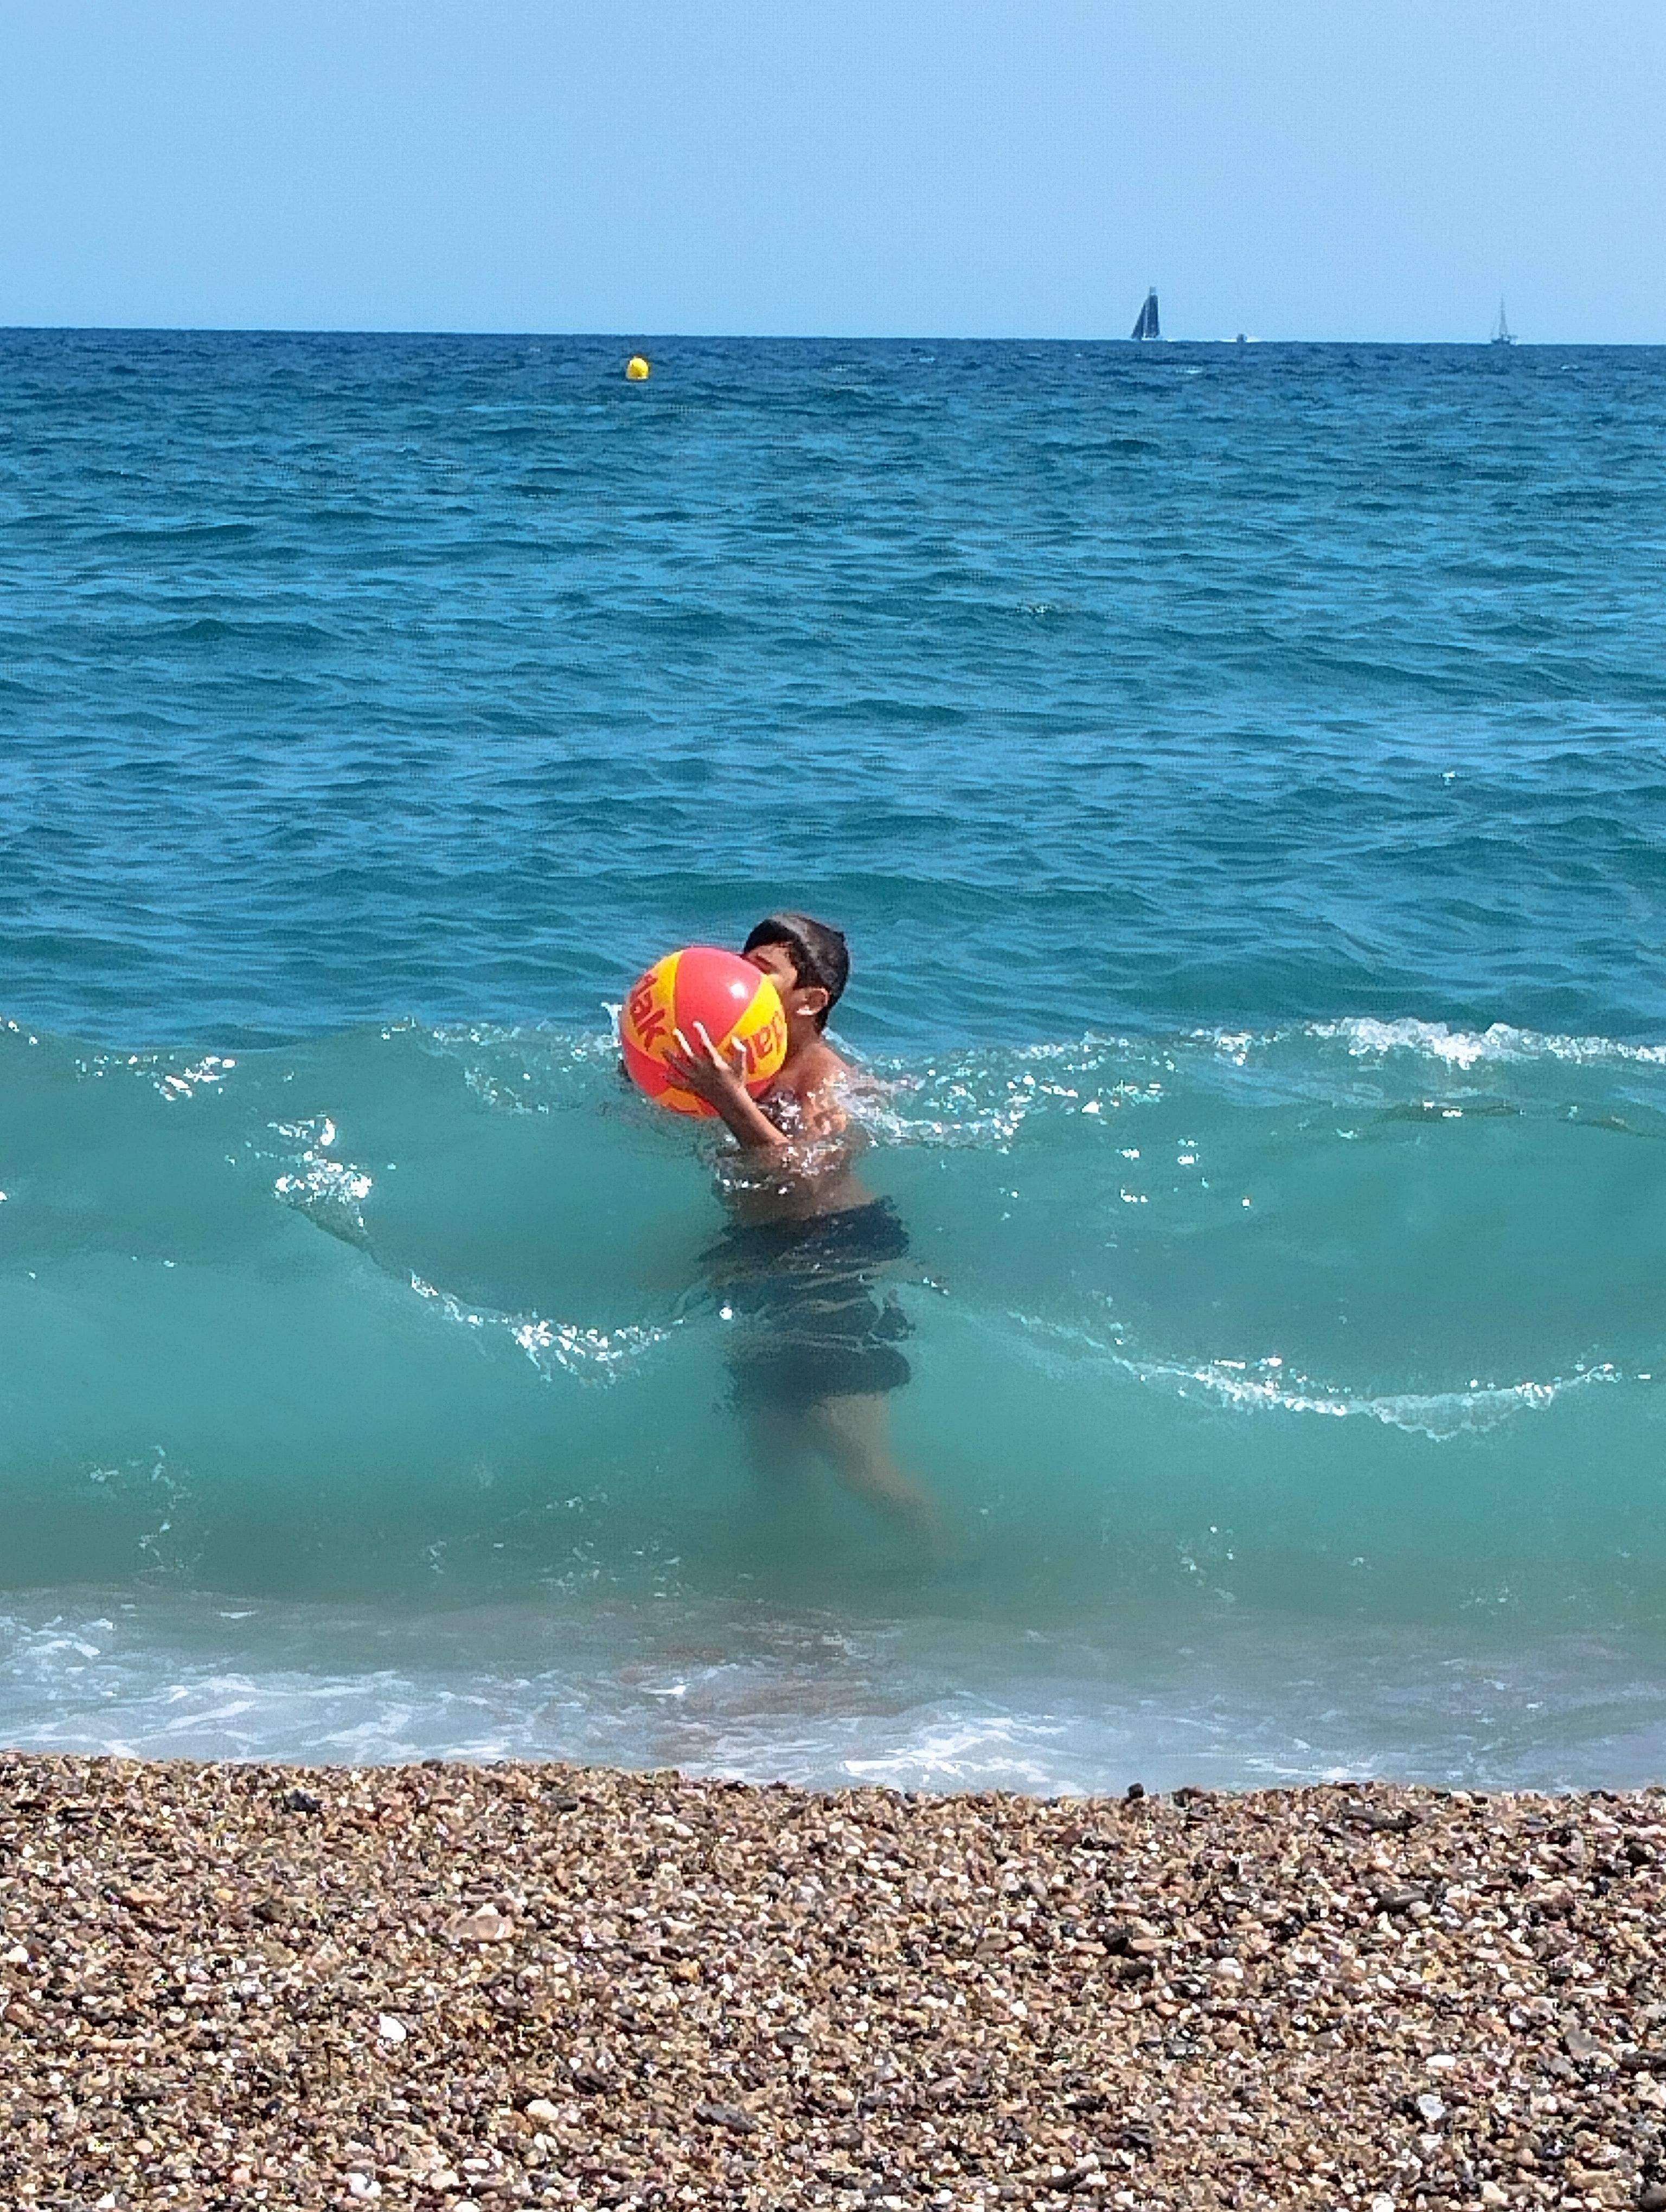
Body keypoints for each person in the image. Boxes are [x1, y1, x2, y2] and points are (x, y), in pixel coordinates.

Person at [663, 913, 938, 1538]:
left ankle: (956, 1570)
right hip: (760, 1250)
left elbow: (805, 1178)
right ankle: (788, 1605)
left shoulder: (827, 1082)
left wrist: (729, 1100)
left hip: (829, 1252)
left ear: (811, 1000)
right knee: (773, 1452)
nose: (736, 981)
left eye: (761, 973)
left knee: (855, 1458)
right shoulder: (750, 1066)